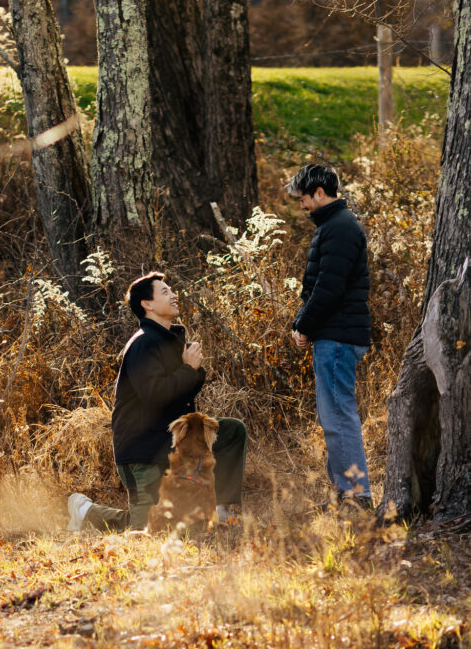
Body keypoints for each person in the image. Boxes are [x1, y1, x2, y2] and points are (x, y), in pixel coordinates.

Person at [67, 272, 248, 531]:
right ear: (147, 305)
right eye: (164, 292)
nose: (173, 295)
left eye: (171, 290)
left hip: (170, 447)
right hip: (142, 455)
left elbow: (180, 397)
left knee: (231, 431)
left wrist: (193, 370)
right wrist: (188, 369)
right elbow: (155, 395)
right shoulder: (142, 344)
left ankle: (221, 511)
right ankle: (85, 511)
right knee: (151, 529)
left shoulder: (168, 341)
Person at [286, 163, 372, 507]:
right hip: (333, 334)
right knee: (332, 415)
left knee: (338, 415)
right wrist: (303, 322)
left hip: (337, 337)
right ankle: (344, 494)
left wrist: (303, 325)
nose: (302, 206)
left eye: (304, 199)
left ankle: (357, 496)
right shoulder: (333, 225)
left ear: (319, 193)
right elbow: (319, 286)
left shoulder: (339, 227)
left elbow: (329, 289)